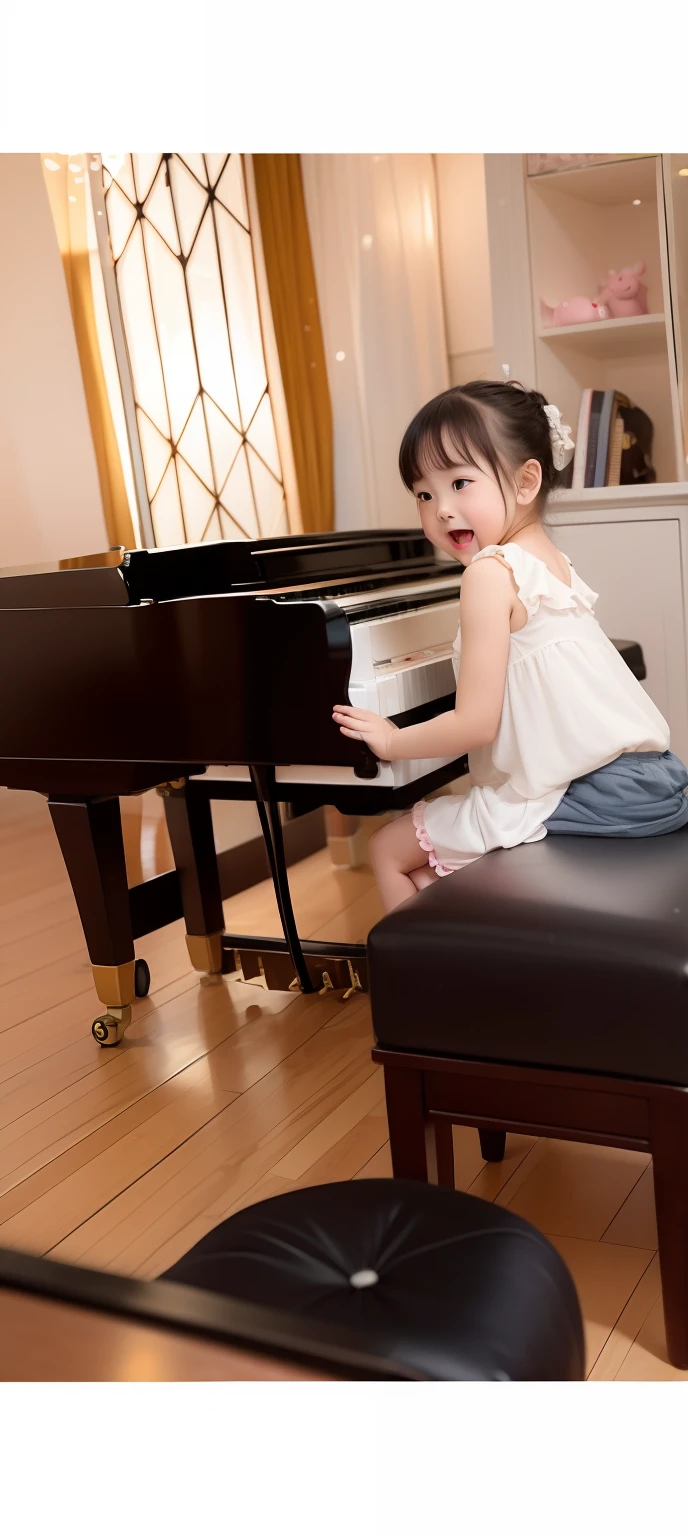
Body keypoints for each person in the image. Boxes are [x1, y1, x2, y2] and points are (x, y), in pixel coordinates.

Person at [333, 378, 688, 914]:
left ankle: (431, 992)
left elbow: (477, 724)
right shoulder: (550, 563)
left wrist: (390, 740)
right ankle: (477, 954)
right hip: (657, 780)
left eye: (460, 483)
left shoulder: (488, 574)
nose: (442, 510)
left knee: (387, 848)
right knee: (440, 864)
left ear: (526, 482)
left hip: (586, 793)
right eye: (424, 494)